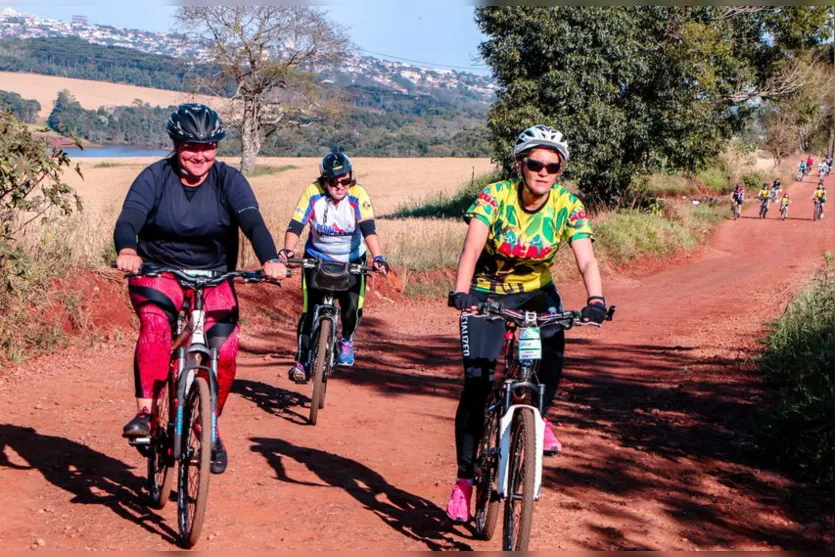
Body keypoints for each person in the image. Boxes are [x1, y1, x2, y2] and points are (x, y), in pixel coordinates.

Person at [444, 124, 606, 522]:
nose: (543, 172)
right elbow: (472, 248)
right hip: (486, 289)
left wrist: (596, 299)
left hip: (536, 290)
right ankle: (465, 480)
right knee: (478, 383)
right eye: (536, 163)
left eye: (553, 166)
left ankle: (540, 417)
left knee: (553, 350)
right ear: (521, 164)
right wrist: (462, 294)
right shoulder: (494, 197)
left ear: (560, 171)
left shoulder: (568, 205)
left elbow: (585, 258)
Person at [114, 103, 286, 474]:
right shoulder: (154, 177)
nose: (200, 155)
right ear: (176, 145)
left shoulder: (229, 179)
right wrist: (128, 250)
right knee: (157, 326)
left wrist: (270, 258)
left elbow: (252, 222)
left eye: (208, 147)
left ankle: (205, 423)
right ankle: (146, 414)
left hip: (214, 275)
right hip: (159, 270)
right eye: (191, 147)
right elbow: (129, 218)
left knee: (224, 351)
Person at [280, 151, 389, 383]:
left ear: (351, 178)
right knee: (310, 311)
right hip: (317, 257)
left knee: (351, 309)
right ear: (324, 181)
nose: (340, 186)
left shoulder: (358, 195)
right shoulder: (313, 193)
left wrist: (377, 257)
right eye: (333, 181)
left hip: (351, 259)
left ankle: (346, 339)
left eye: (345, 180)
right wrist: (288, 249)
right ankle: (301, 360)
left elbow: (369, 228)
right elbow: (296, 225)